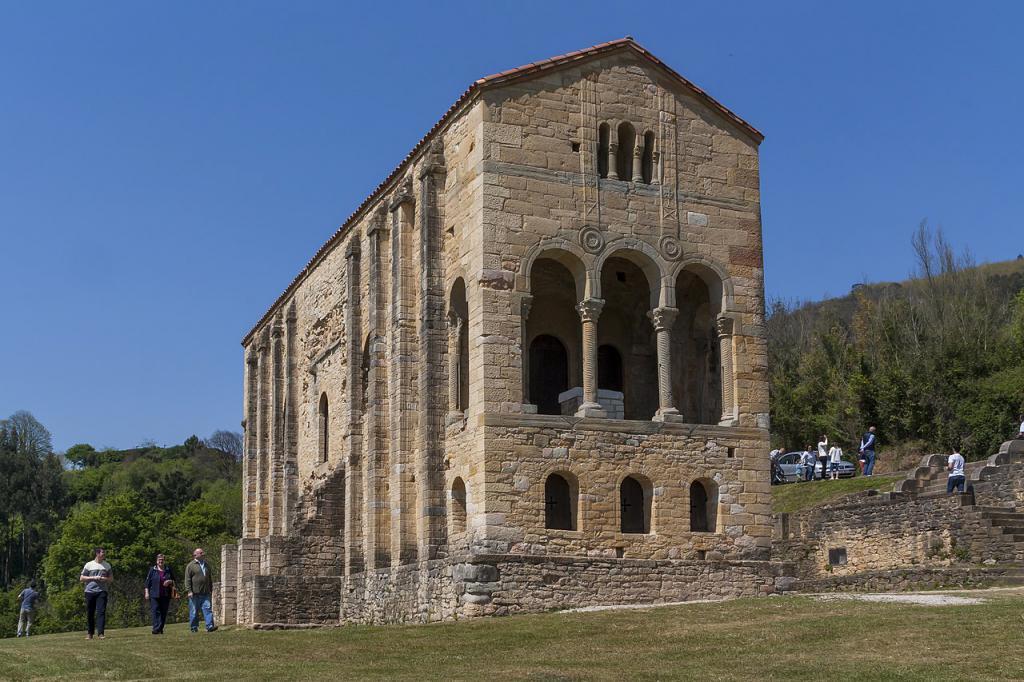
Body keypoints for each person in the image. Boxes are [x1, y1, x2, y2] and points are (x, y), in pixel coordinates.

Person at [79, 547, 112, 640]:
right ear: (97, 554)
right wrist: (93, 577)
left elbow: (111, 579)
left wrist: (104, 579)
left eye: (104, 553)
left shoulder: (107, 565)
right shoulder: (89, 565)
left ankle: (101, 633)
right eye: (102, 553)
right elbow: (81, 578)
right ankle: (90, 633)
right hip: (90, 591)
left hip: (102, 591)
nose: (104, 555)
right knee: (90, 612)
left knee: (101, 611)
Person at [184, 548, 217, 633]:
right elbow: (187, 579)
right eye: (201, 553)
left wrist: (211, 589)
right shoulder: (191, 565)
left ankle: (210, 626)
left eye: (203, 552)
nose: (203, 554)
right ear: (196, 555)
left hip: (205, 593)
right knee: (194, 612)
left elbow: (209, 578)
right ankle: (194, 628)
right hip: (194, 593)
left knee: (207, 609)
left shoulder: (206, 565)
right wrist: (189, 591)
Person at [145, 553, 175, 635]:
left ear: (164, 561)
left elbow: (174, 581)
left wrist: (169, 581)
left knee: (163, 612)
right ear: (156, 561)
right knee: (155, 611)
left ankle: (160, 628)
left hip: (165, 594)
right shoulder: (152, 570)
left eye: (162, 560)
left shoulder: (168, 569)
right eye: (159, 560)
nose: (160, 561)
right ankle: (156, 629)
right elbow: (147, 583)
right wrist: (146, 593)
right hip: (154, 594)